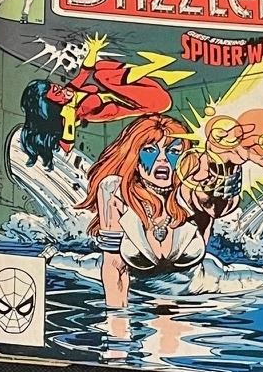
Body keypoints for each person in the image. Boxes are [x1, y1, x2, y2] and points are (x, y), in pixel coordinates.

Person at [80, 112, 241, 309]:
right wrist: (116, 319)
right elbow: (115, 267)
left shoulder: (193, 191)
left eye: (173, 152)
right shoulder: (115, 191)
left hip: (202, 289)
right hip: (136, 293)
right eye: (150, 150)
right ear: (134, 157)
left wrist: (228, 165)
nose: (162, 159)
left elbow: (220, 205)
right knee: (56, 261)